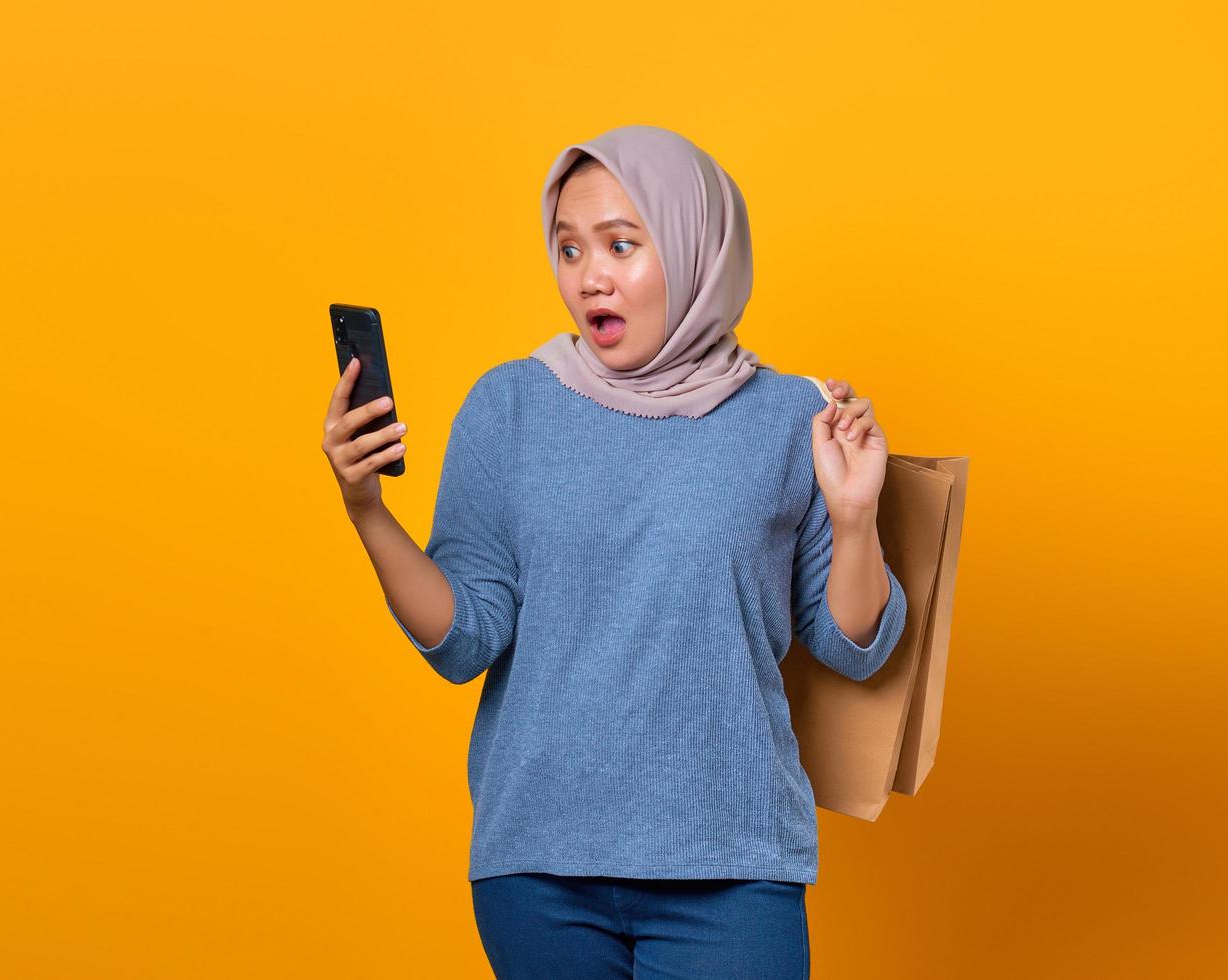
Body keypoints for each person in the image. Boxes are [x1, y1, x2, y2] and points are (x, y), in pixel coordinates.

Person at [321, 124, 907, 979]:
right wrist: (367, 510)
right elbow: (466, 640)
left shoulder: (792, 417)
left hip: (734, 861)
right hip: (541, 867)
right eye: (568, 249)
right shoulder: (509, 406)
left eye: (622, 245)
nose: (588, 275)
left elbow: (853, 648)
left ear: (699, 247)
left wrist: (855, 517)